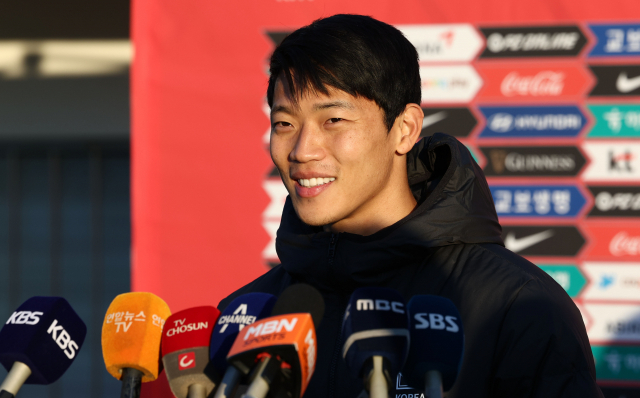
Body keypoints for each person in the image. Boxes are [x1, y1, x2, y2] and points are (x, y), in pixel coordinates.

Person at [219, 14, 602, 398]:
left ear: (404, 129)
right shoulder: (246, 318)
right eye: (285, 124)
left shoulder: (518, 308)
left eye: (333, 119)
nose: (302, 150)